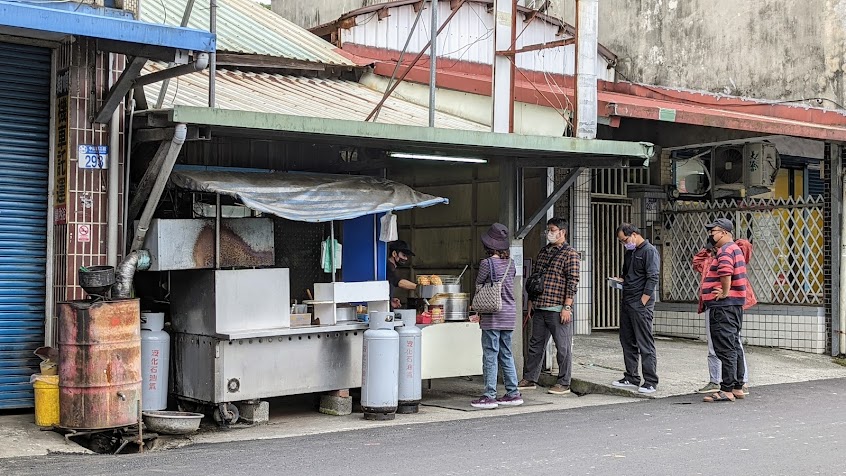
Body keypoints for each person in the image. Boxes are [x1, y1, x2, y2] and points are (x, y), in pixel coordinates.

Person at [518, 217, 581, 395]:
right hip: (539, 306)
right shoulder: (544, 251)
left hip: (558, 309)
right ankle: (530, 378)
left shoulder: (570, 254)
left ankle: (564, 382)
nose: (549, 233)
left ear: (562, 232)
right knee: (535, 344)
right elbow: (535, 278)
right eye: (548, 230)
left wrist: (567, 307)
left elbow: (573, 282)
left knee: (563, 347)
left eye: (552, 230)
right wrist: (530, 301)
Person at [693, 238, 757, 394]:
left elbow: (745, 248)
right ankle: (721, 381)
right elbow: (697, 263)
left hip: (726, 305)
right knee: (717, 345)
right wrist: (707, 249)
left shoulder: (732, 253)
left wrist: (728, 242)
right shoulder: (712, 260)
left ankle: (736, 384)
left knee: (731, 344)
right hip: (714, 304)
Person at [470, 223, 522, 409]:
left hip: (493, 314)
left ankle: (489, 395)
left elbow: (479, 284)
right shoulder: (511, 263)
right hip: (509, 314)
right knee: (506, 353)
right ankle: (513, 393)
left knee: (490, 355)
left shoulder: (486, 263)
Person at [700, 218, 749, 403]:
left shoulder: (726, 250)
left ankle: (726, 389)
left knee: (725, 347)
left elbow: (725, 272)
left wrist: (724, 292)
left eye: (714, 231)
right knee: (734, 344)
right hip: (733, 306)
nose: (711, 235)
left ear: (724, 232)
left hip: (723, 307)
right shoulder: (735, 249)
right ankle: (737, 386)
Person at [611, 223, 660, 394]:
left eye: (625, 240)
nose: (625, 243)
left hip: (640, 304)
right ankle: (631, 377)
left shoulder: (649, 251)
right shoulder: (630, 252)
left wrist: (643, 301)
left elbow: (653, 277)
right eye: (622, 241)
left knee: (644, 342)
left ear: (634, 234)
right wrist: (620, 280)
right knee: (627, 340)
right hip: (627, 300)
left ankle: (651, 381)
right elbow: (629, 274)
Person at [387, 240, 417, 309]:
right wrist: (419, 287)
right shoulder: (388, 267)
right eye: (403, 255)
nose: (406, 259)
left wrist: (390, 300)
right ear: (394, 253)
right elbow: (399, 282)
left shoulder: (391, 267)